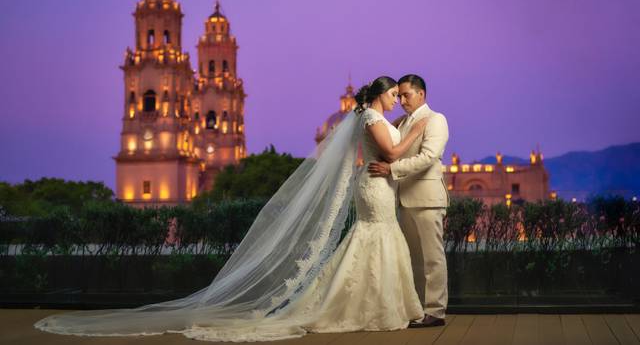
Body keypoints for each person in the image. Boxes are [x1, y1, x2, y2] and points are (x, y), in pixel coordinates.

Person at [34, 76, 429, 342]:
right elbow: (393, 151)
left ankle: (372, 302)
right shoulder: (377, 118)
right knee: (373, 236)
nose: (398, 98)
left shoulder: (368, 116)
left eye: (401, 94)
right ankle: (364, 305)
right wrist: (415, 130)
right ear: (380, 94)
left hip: (379, 184)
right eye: (395, 93)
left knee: (373, 238)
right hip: (375, 186)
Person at [368, 74, 450, 328]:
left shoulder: (436, 120)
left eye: (407, 95)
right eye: (399, 95)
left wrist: (391, 170)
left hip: (427, 198)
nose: (402, 100)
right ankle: (417, 308)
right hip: (403, 199)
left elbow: (428, 157)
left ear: (421, 95)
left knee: (432, 257)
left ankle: (435, 311)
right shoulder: (401, 121)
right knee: (412, 258)